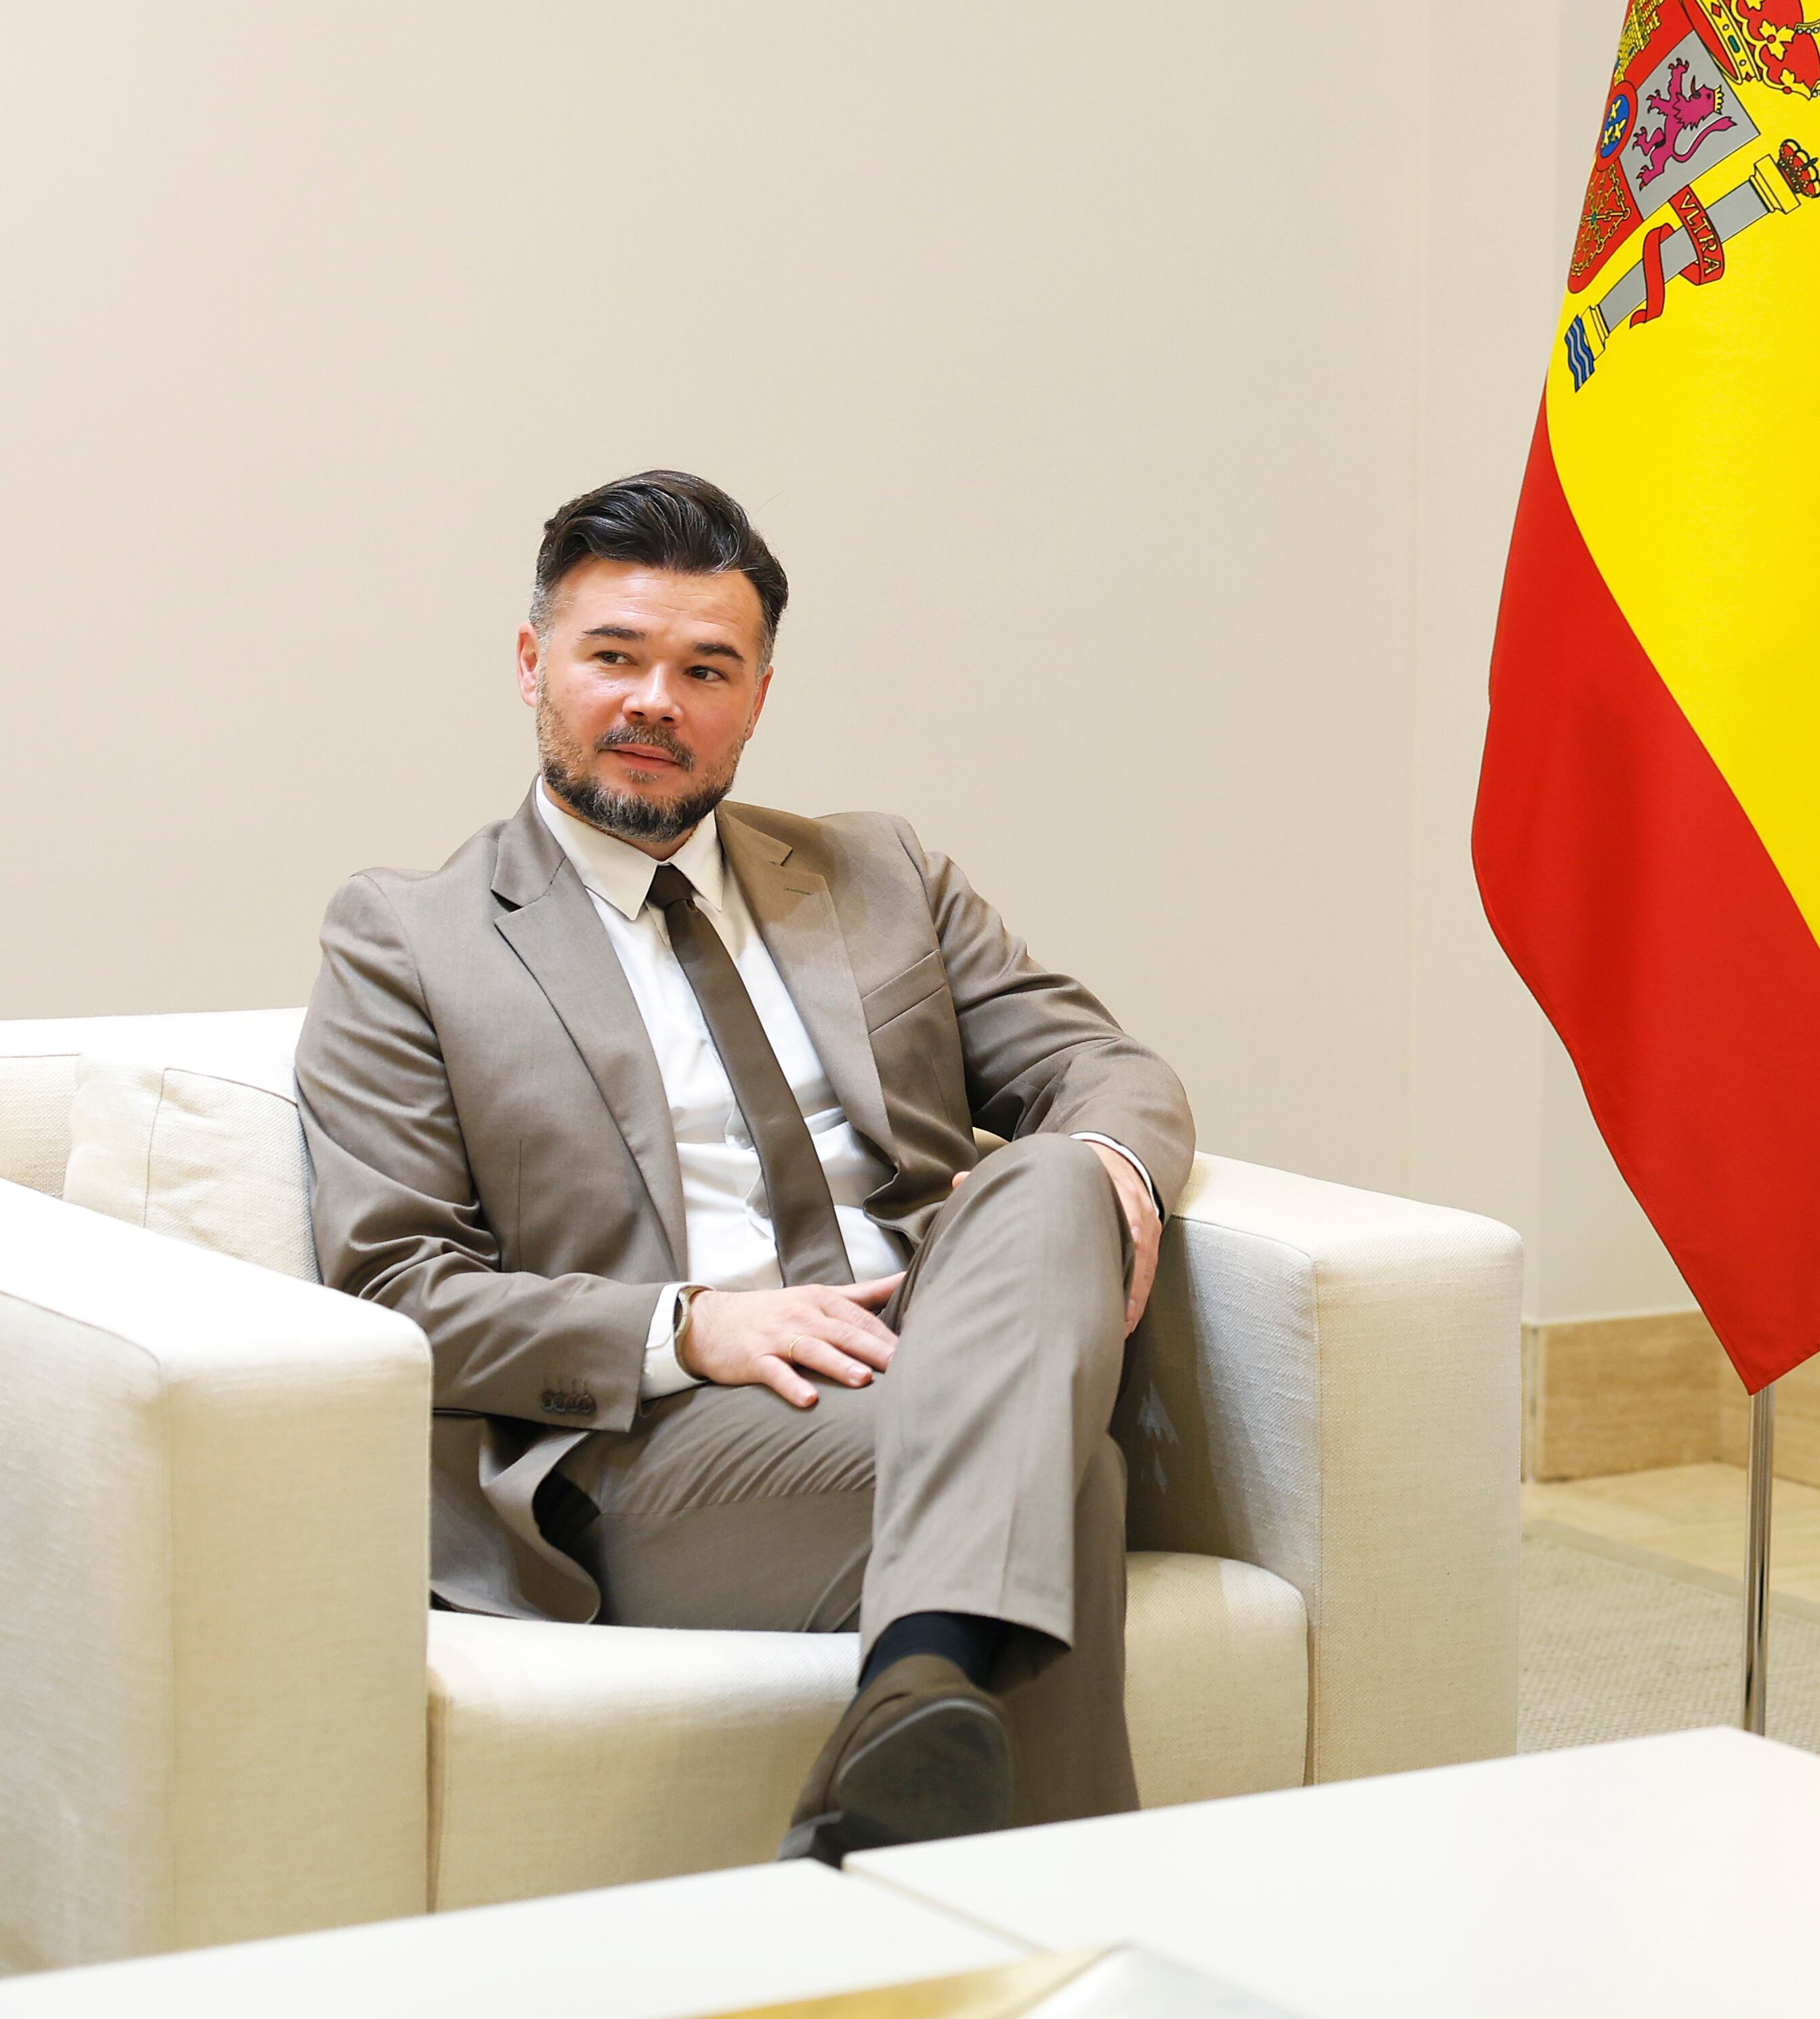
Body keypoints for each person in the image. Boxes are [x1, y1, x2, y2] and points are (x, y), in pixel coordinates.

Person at [299, 470, 1193, 1860]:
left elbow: (1107, 1068)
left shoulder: (882, 873)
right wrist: (690, 1328)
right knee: (1069, 1482)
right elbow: (394, 1286)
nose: (655, 701)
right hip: (658, 1442)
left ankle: (906, 1743)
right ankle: (983, 1827)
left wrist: (1108, 1180)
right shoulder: (409, 939)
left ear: (759, 696)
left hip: (941, 1350)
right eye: (614, 656)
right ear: (533, 664)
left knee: (1061, 1173)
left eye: (705, 669)